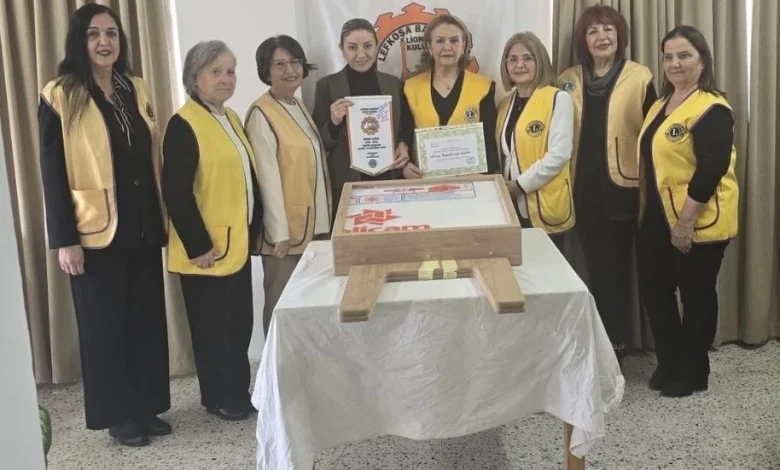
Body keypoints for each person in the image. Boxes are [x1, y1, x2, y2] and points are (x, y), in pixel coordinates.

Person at [38, 3, 170, 446]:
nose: (104, 41)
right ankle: (118, 415)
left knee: (144, 321)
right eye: (94, 34)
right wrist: (65, 240)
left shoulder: (136, 87)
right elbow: (52, 173)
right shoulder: (60, 94)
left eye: (111, 33)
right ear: (80, 41)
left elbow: (147, 155)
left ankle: (146, 405)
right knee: (104, 329)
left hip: (142, 224)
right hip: (93, 232)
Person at [162, 40, 263, 421]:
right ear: (195, 78)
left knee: (238, 325)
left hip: (236, 243)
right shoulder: (183, 123)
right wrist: (198, 245)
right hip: (207, 250)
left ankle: (237, 391)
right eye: (216, 71)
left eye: (231, 71)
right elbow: (175, 191)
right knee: (213, 330)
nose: (226, 79)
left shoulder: (230, 117)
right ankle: (219, 396)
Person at [637, 25, 738, 397]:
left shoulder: (712, 107)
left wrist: (685, 223)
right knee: (656, 292)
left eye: (684, 55)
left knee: (696, 297)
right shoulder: (660, 104)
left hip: (697, 219)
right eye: (668, 56)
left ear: (702, 61)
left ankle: (694, 371)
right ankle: (669, 362)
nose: (674, 63)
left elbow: (711, 168)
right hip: (657, 217)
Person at [557, 5, 657, 365]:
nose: (601, 37)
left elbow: (655, 136)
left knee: (616, 272)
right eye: (593, 31)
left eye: (608, 30)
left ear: (620, 36)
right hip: (580, 191)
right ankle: (599, 348)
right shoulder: (567, 79)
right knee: (594, 270)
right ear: (583, 40)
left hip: (622, 191)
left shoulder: (639, 76)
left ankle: (615, 350)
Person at [244, 35, 331, 337]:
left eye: (294, 62)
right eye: (279, 64)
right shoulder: (261, 113)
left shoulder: (297, 105)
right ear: (266, 71)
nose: (290, 70)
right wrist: (278, 232)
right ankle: (276, 366)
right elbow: (266, 178)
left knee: (307, 311)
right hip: (286, 237)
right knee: (281, 308)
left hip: (313, 226)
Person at [312, 18, 410, 221]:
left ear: (376, 45)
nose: (361, 55)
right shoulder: (327, 86)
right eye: (352, 47)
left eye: (367, 46)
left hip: (389, 178)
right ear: (342, 49)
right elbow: (318, 142)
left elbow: (403, 129)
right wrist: (333, 122)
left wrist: (403, 145)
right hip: (348, 184)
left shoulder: (393, 84)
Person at [496, 32, 575, 250]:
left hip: (545, 204)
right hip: (511, 205)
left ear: (540, 61)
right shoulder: (504, 104)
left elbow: (559, 155)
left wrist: (520, 185)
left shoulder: (557, 98)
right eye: (512, 59)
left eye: (527, 58)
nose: (519, 65)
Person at [400, 14, 500, 178]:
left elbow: (490, 141)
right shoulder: (410, 88)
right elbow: (404, 135)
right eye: (440, 41)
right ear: (429, 47)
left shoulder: (483, 87)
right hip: (424, 182)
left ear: (463, 45)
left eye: (454, 41)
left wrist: (485, 176)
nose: (448, 47)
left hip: (471, 182)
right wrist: (405, 166)